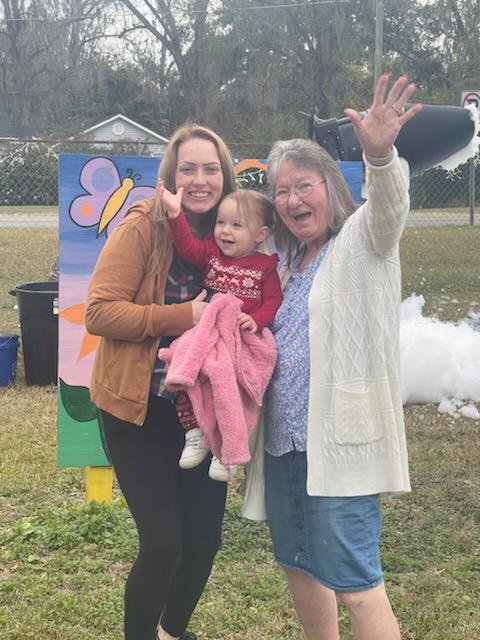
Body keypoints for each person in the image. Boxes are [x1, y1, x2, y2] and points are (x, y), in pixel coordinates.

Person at [243, 73, 423, 639]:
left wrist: (380, 154)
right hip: (285, 443)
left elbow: (390, 204)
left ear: (331, 186)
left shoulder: (364, 240)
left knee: (355, 581)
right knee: (299, 566)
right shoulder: (285, 263)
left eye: (305, 185)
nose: (294, 199)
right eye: (283, 190)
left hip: (339, 443)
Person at [85, 124, 237, 640]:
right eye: (188, 169)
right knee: (163, 543)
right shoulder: (142, 228)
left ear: (225, 176)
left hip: (202, 414)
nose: (200, 179)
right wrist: (182, 316)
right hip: (138, 409)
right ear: (170, 176)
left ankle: (173, 631)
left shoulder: (231, 229)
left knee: (204, 540)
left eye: (211, 168)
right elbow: (100, 312)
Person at [157, 185, 282, 480]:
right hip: (208, 332)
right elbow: (187, 246)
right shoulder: (211, 254)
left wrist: (257, 320)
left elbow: (273, 300)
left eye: (236, 225)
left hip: (239, 337)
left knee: (229, 391)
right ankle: (195, 432)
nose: (225, 231)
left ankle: (228, 450)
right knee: (185, 369)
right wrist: (175, 215)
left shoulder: (264, 267)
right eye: (221, 223)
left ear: (261, 234)